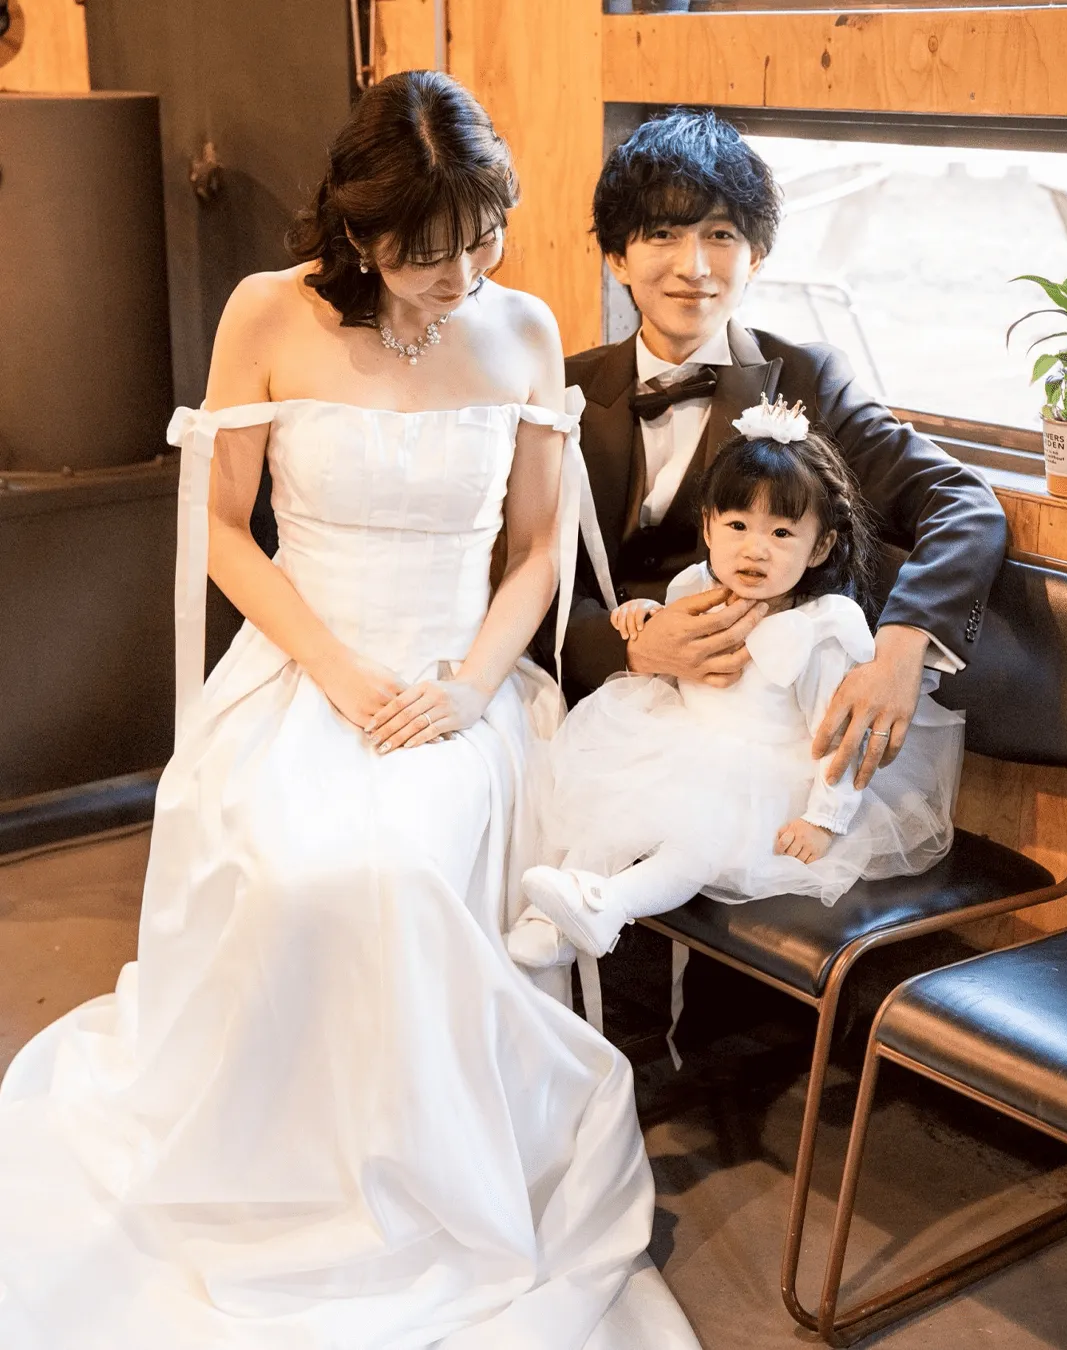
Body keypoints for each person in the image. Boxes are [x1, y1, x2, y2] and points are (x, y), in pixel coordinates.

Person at [0, 72, 700, 1350]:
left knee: (398, 870)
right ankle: (283, 1177)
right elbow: (222, 529)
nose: (463, 278)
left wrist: (471, 685)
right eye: (428, 255)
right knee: (291, 868)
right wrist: (331, 671)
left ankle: (428, 1183)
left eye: (483, 238)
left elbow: (537, 550)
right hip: (304, 662)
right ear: (357, 232)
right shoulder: (267, 313)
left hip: (459, 677)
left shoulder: (524, 328)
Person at [549, 110, 1005, 798]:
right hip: (591, 720)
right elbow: (518, 571)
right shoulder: (559, 390)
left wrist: (903, 644)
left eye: (721, 235)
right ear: (617, 257)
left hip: (763, 746)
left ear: (756, 256)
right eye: (663, 234)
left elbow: (963, 505)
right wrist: (629, 648)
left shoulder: (809, 382)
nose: (693, 267)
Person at [513, 397, 964, 961]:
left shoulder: (816, 632)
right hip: (680, 742)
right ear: (708, 526)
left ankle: (610, 906)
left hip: (765, 781)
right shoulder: (694, 585)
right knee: (608, 815)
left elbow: (841, 739)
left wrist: (824, 821)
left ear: (821, 546)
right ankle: (553, 922)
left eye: (782, 533)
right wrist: (644, 617)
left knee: (693, 846)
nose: (755, 548)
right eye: (737, 525)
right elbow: (677, 655)